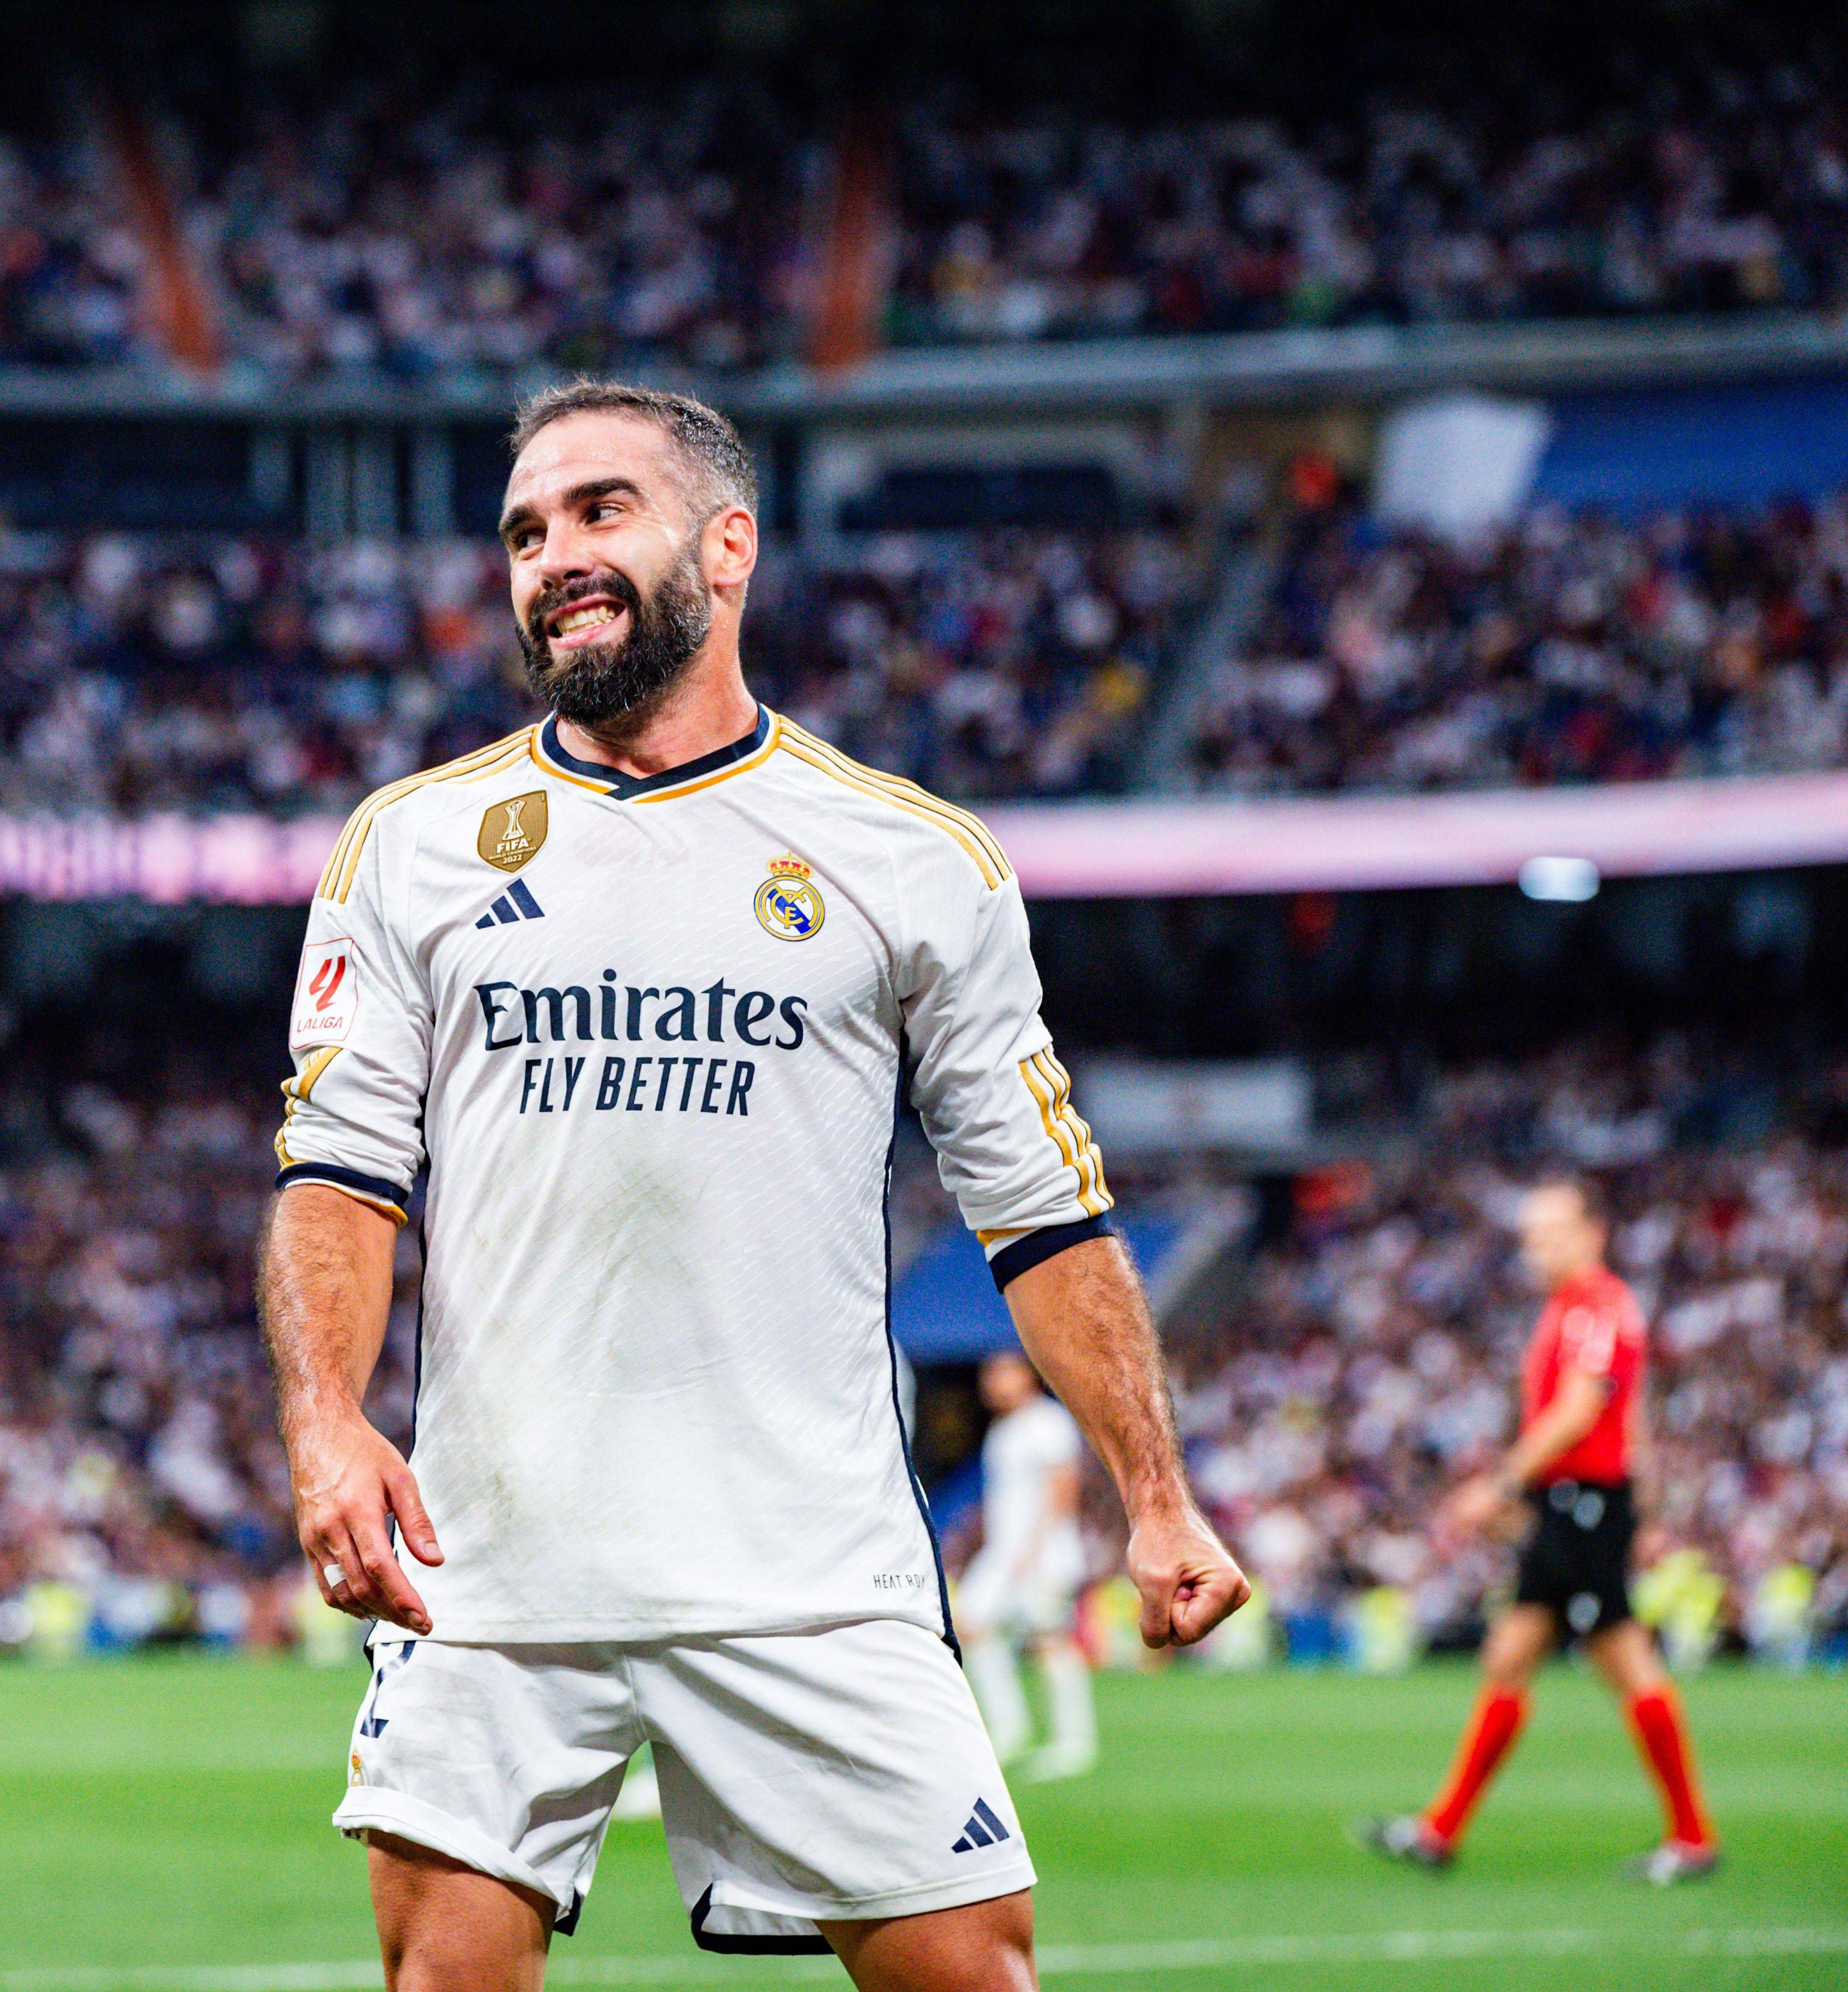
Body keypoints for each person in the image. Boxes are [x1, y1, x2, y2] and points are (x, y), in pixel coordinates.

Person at [257, 381, 1249, 1992]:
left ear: (730, 546)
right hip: (494, 1552)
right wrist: (324, 1420)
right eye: (524, 530)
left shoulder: (913, 856)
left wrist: (1154, 1492)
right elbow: (338, 1174)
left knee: (976, 1976)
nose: (553, 556)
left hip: (806, 1557)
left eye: (599, 512)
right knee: (441, 1980)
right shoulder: (414, 846)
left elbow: (1041, 1208)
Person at [1355, 1176, 1719, 1884]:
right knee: (1509, 1653)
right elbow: (1629, 1416)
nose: (1535, 1247)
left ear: (1592, 1233)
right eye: (1529, 1234)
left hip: (1583, 1504)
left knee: (1623, 1659)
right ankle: (1438, 1830)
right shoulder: (1576, 1306)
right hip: (1575, 1504)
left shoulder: (1594, 1305)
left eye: (1549, 1231)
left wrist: (1500, 1482)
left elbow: (1582, 1411)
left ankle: (1691, 1837)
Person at [957, 1352, 1098, 1782]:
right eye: (988, 1374)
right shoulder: (1004, 1430)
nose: (992, 1382)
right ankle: (1009, 1728)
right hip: (1004, 1553)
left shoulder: (1047, 1422)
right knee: (971, 1625)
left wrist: (1035, 1550)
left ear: (1027, 1375)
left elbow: (1065, 1486)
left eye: (1002, 1372)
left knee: (1050, 1640)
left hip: (1040, 1554)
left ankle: (1074, 1743)